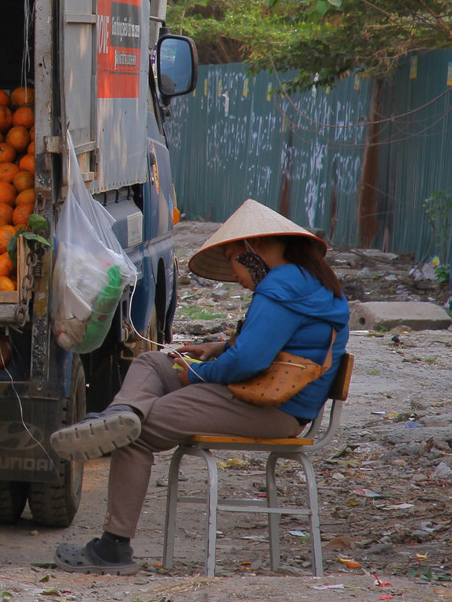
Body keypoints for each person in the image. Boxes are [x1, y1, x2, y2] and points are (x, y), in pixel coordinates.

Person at [49, 199, 350, 574]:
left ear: (253, 248)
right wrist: (218, 348)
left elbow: (248, 362)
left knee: (135, 433)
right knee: (153, 362)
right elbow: (281, 343)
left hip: (272, 409)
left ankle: (113, 549)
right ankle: (121, 412)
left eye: (233, 260)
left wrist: (194, 374)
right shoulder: (307, 281)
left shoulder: (283, 285)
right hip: (263, 398)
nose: (236, 275)